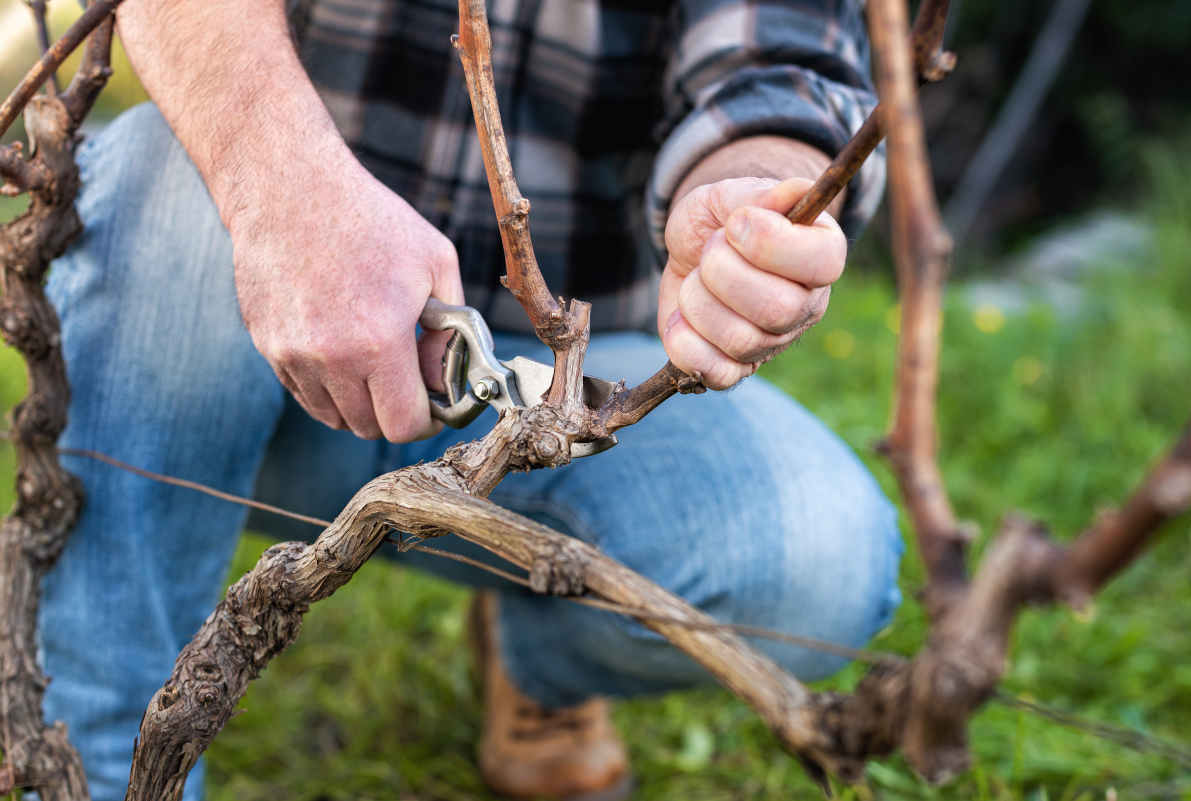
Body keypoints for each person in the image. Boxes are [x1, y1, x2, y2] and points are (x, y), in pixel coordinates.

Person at [40, 1, 900, 799]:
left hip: (550, 384)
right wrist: (280, 187)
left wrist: (753, 199)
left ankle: (536, 650)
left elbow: (779, 57)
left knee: (822, 555)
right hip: (242, 317)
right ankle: (108, 751)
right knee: (168, 187)